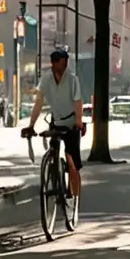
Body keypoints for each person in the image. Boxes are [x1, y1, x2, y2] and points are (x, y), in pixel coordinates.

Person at [23, 48, 84, 198]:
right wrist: (31, 125)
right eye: (62, 63)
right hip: (56, 121)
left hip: (71, 122)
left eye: (66, 63)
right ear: (53, 63)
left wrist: (79, 122)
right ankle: (54, 177)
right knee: (53, 151)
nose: (64, 67)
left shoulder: (72, 79)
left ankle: (74, 198)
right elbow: (39, 102)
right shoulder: (46, 79)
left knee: (72, 161)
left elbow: (78, 101)